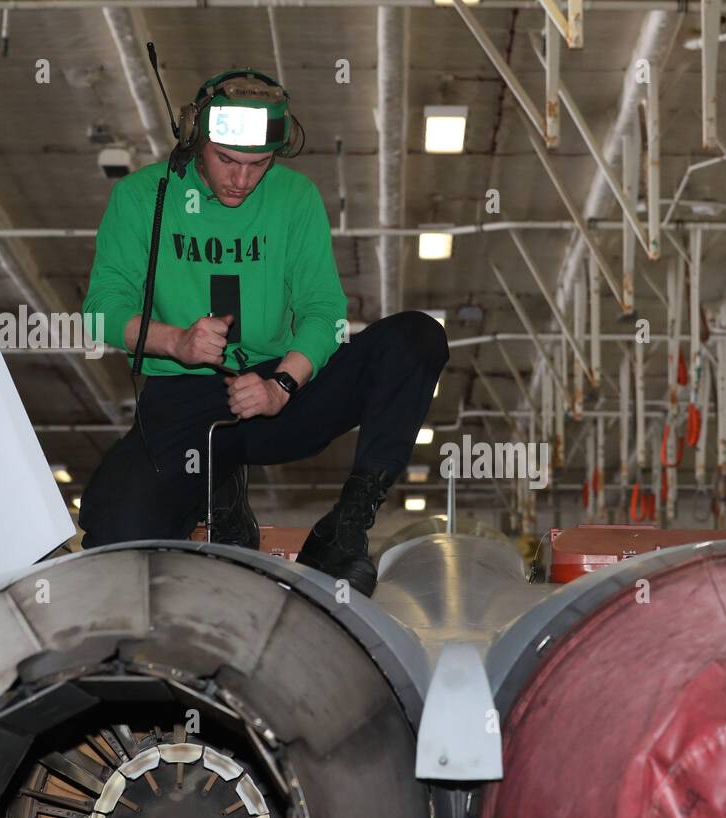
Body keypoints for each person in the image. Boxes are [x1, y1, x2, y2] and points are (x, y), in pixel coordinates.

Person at [77, 69, 448, 596]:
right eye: (227, 160)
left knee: (418, 337)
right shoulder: (144, 198)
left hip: (278, 392)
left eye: (258, 165)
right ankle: (220, 491)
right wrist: (175, 341)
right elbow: (100, 311)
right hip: (185, 398)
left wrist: (284, 384)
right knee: (115, 537)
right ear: (196, 140)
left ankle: (346, 526)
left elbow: (324, 310)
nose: (241, 181)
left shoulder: (295, 198)